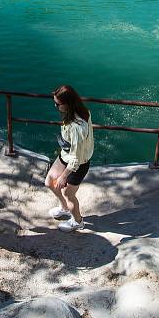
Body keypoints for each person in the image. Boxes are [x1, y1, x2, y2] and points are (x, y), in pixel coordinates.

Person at [46, 85, 94, 232]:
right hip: (66, 155)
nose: (56, 106)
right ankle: (65, 208)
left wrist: (63, 177)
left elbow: (76, 158)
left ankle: (78, 221)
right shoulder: (83, 112)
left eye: (58, 104)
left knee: (68, 193)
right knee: (49, 182)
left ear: (68, 103)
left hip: (78, 163)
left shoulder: (76, 127)